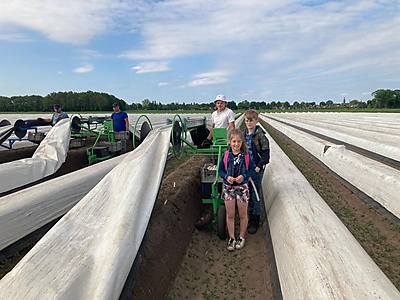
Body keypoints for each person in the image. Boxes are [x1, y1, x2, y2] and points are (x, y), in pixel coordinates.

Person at [219, 129, 255, 251]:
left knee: (243, 214)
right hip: (229, 188)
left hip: (242, 188)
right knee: (230, 214)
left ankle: (241, 237)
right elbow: (220, 170)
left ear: (242, 142)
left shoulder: (246, 155)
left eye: (239, 141)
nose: (236, 144)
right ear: (229, 141)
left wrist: (243, 176)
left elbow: (251, 169)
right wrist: (226, 177)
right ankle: (232, 238)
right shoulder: (226, 155)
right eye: (234, 141)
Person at [243, 110, 270, 234]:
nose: (249, 123)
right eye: (247, 121)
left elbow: (266, 154)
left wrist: (259, 166)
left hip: (256, 170)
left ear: (256, 121)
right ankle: (249, 217)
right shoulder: (244, 135)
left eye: (251, 120)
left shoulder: (260, 136)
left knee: (256, 194)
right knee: (247, 193)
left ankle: (255, 220)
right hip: (245, 169)